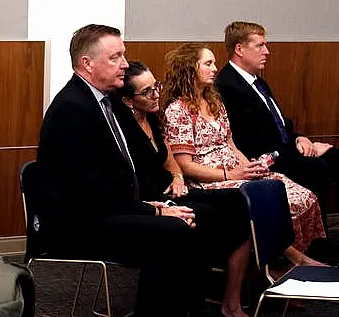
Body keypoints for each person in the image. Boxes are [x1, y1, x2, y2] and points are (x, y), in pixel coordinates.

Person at [38, 24, 239, 317]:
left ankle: (188, 309)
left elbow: (141, 163)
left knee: (206, 215)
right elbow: (89, 191)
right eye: (115, 57)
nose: (124, 64)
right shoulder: (72, 108)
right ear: (87, 64)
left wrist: (164, 195)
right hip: (82, 223)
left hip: (114, 207)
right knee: (173, 230)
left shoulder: (110, 102)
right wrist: (154, 210)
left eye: (124, 55)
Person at [161, 43, 326, 264]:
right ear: (190, 69)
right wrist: (233, 174)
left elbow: (230, 144)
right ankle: (288, 260)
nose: (214, 68)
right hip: (209, 179)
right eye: (208, 63)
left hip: (236, 170)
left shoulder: (214, 101)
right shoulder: (178, 110)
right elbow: (187, 166)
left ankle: (292, 259)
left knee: (299, 193)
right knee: (274, 199)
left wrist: (249, 167)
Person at [113, 60, 252, 317]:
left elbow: (169, 160)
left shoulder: (153, 118)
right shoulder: (122, 128)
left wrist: (177, 176)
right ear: (128, 101)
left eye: (156, 87)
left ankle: (230, 300)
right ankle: (191, 301)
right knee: (203, 216)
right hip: (149, 197)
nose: (156, 95)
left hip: (170, 188)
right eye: (147, 92)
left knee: (238, 201)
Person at [215, 21, 339, 221]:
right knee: (320, 167)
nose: (267, 51)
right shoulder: (228, 86)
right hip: (264, 160)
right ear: (239, 49)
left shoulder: (258, 81)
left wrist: (301, 139)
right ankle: (315, 244)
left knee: (334, 156)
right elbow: (251, 141)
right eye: (260, 45)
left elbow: (279, 124)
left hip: (284, 150)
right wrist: (298, 148)